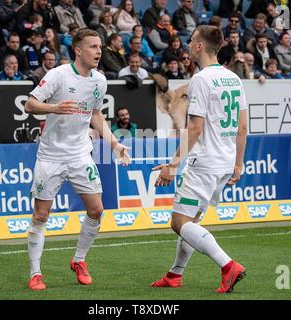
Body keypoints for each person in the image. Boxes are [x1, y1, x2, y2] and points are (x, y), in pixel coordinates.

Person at [24, 28, 131, 291]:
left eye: (100, 46)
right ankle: (36, 273)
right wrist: (53, 107)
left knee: (96, 210)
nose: (99, 51)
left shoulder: (99, 81)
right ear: (78, 50)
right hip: (50, 156)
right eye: (93, 47)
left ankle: (79, 260)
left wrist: (115, 144)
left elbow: (96, 115)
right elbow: (29, 104)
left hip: (80, 154)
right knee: (41, 214)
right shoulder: (58, 75)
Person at [151, 25, 248, 293]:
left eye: (192, 39)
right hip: (224, 162)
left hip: (204, 162)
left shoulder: (200, 80)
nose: (189, 43)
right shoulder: (233, 79)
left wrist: (173, 165)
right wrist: (238, 164)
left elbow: (195, 128)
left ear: (199, 46)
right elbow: (242, 127)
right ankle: (175, 274)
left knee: (179, 223)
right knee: (190, 221)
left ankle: (228, 266)